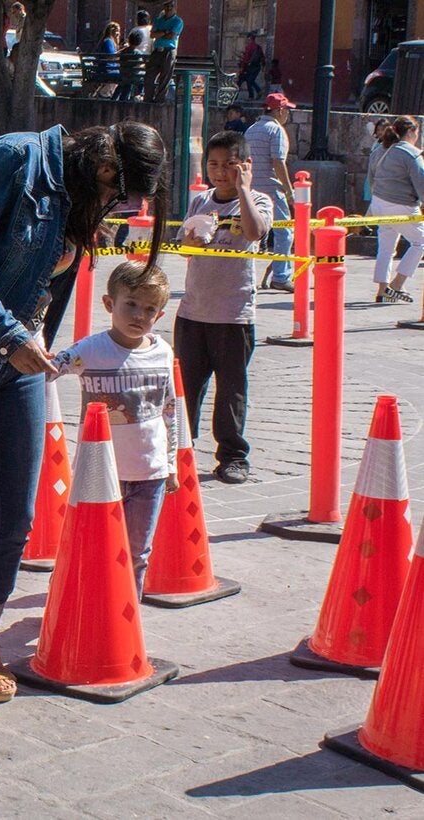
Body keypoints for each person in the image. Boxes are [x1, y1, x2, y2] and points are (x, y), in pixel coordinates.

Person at [0, 121, 169, 721]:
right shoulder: (12, 158)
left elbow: (45, 284)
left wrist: (30, 341)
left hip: (19, 358)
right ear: (105, 168)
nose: (113, 208)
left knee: (18, 514)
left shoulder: (77, 194)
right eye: (117, 196)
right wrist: (8, 335)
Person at [50, 261, 177, 596]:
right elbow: (50, 370)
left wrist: (171, 464)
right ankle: (73, 603)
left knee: (136, 553)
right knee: (86, 545)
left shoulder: (162, 352)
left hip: (149, 473)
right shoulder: (91, 350)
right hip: (98, 473)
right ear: (109, 304)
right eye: (130, 304)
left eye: (149, 309)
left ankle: (126, 613)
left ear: (160, 315)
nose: (139, 315)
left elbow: (169, 409)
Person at [176, 130, 272, 485]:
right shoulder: (200, 201)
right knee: (186, 387)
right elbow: (184, 248)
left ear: (245, 165)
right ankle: (180, 450)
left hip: (234, 314)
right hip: (193, 311)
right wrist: (190, 241)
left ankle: (232, 455)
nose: (220, 172)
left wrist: (244, 189)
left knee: (231, 389)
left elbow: (255, 232)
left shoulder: (258, 200)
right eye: (213, 164)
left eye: (229, 164)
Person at [368, 116, 424, 304]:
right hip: (402, 205)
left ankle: (382, 290)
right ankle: (397, 285)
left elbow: (371, 178)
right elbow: (422, 185)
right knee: (421, 242)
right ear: (411, 131)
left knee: (386, 247)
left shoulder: (380, 150)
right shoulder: (411, 154)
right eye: (417, 132)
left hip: (379, 203)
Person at [246, 92, 295, 292]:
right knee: (285, 232)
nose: (288, 114)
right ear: (279, 111)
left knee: (250, 233)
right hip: (272, 189)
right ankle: (281, 275)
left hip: (251, 189)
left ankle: (248, 273)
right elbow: (278, 162)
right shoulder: (276, 130)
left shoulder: (251, 130)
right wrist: (289, 190)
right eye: (287, 110)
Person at [143, 0, 181, 103]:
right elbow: (152, 35)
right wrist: (165, 31)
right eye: (167, 6)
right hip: (157, 51)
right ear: (164, 7)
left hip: (169, 51)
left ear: (175, 7)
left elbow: (171, 36)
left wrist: (160, 33)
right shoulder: (158, 20)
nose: (169, 8)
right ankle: (148, 99)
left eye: (171, 6)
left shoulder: (178, 21)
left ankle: (159, 100)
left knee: (165, 77)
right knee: (149, 76)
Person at [363, 117, 392, 211]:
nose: (380, 132)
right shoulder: (377, 143)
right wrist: (368, 120)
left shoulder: (389, 145)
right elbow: (370, 128)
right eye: (378, 130)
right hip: (371, 179)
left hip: (380, 181)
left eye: (383, 129)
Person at [112, 28, 145, 102]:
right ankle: (140, 94)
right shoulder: (138, 53)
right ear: (139, 42)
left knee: (124, 83)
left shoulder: (124, 51)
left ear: (129, 40)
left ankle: (115, 99)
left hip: (123, 74)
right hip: (133, 76)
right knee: (142, 77)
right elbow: (140, 63)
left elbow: (115, 55)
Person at [93, 22, 121, 98]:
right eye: (117, 31)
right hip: (108, 70)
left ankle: (108, 94)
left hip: (106, 69)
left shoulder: (107, 41)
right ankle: (108, 95)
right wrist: (122, 51)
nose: (118, 34)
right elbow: (111, 55)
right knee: (125, 79)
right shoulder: (108, 41)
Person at [238, 31, 265, 100]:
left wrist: (242, 67)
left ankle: (255, 93)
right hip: (257, 66)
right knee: (250, 80)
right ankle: (254, 94)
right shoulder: (258, 47)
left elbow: (246, 58)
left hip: (250, 67)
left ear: (249, 38)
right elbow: (262, 57)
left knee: (247, 80)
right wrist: (263, 65)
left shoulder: (249, 46)